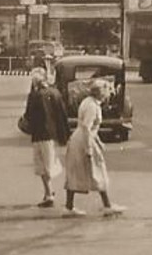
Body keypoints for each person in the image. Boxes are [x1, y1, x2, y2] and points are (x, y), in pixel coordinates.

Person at [63, 77, 124, 217]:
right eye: (108, 90)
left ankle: (69, 207)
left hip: (79, 140)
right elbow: (86, 127)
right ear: (101, 93)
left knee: (75, 173)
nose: (110, 94)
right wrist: (89, 148)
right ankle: (107, 205)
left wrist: (99, 141)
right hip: (84, 141)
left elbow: (89, 128)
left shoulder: (89, 102)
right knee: (98, 170)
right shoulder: (92, 106)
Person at [23, 67, 70, 208]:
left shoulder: (34, 96)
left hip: (39, 135)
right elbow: (62, 115)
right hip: (52, 134)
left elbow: (28, 116)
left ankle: (49, 193)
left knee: (43, 165)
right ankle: (49, 192)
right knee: (48, 164)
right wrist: (64, 136)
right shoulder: (55, 93)